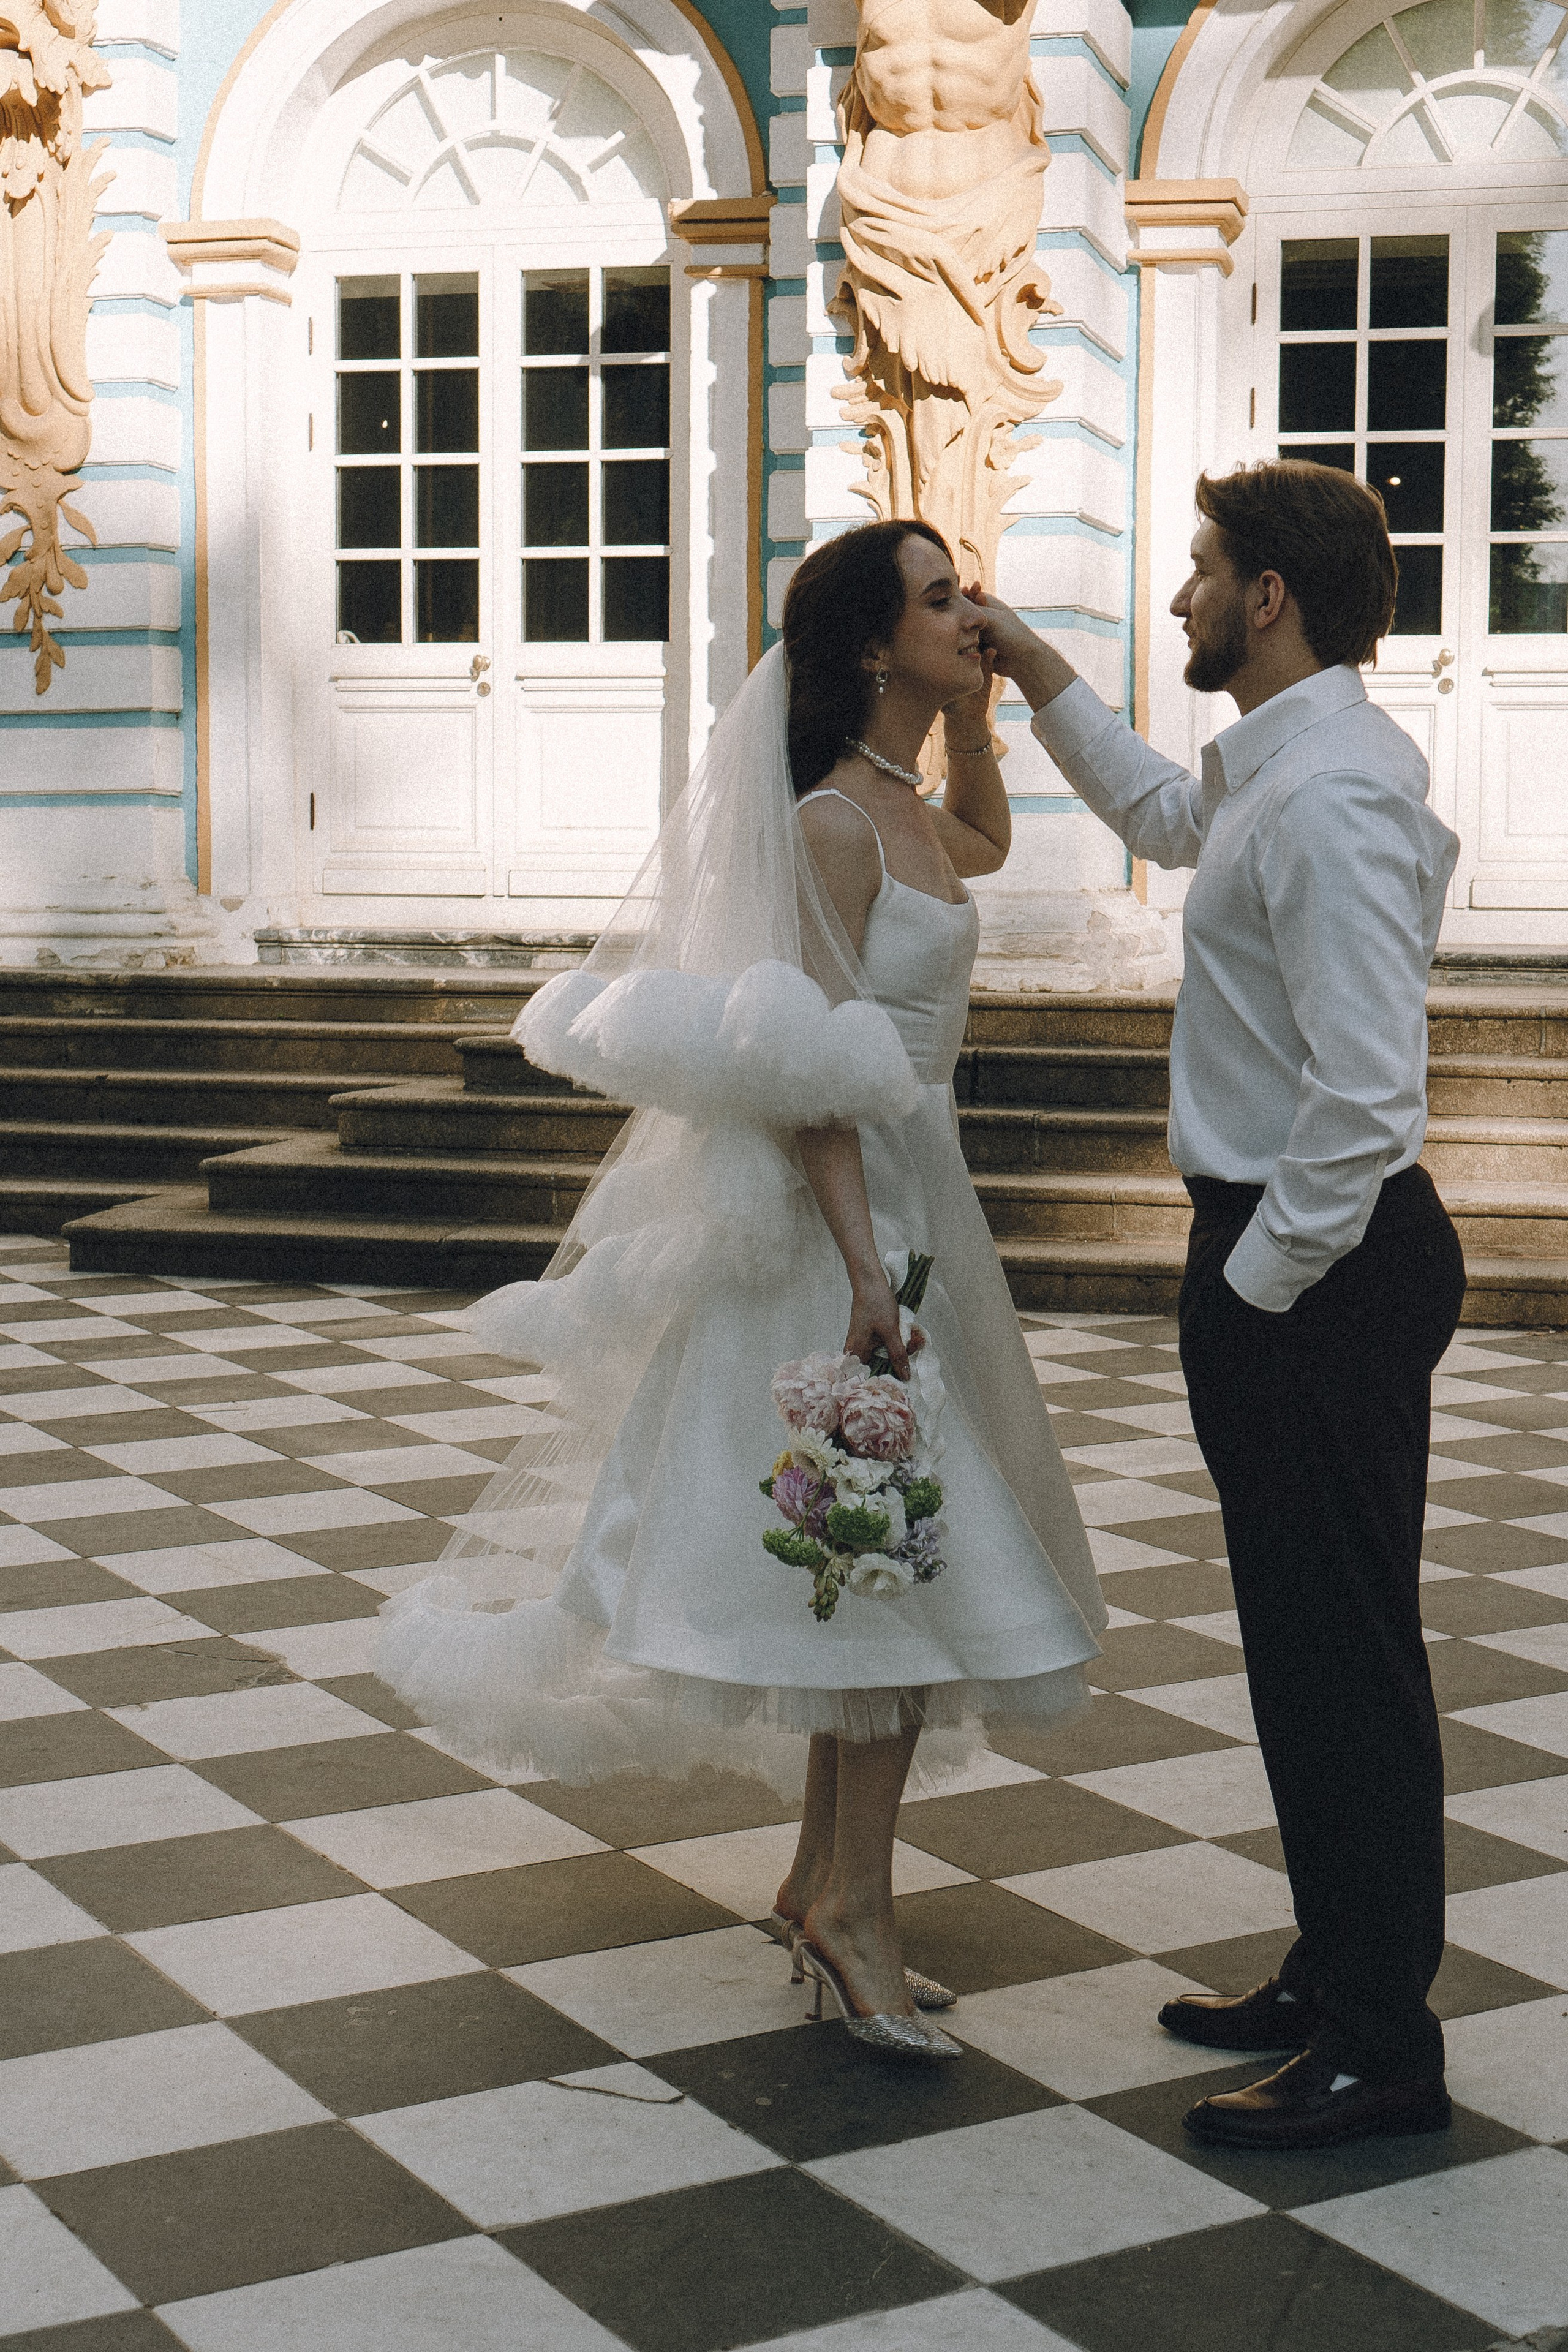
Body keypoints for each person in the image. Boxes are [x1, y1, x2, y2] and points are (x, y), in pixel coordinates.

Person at [377, 519, 1106, 2062]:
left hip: (921, 1207)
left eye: (965, 589)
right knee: (896, 1560)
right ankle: (853, 1911)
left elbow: (984, 844)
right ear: (862, 643)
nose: (968, 611)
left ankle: (822, 1887)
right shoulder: (832, 823)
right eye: (937, 599)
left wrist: (980, 707)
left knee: (888, 1563)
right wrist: (856, 1268)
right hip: (847, 1226)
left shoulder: (901, 804)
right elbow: (803, 1080)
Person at [976, 459, 1466, 2150]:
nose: (1178, 595)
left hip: (1314, 1257)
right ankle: (1341, 1975)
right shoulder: (1290, 765)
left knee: (1339, 1659)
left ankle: (1383, 2046)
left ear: (1269, 599)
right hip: (1301, 1253)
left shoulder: (1328, 796)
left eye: (1199, 572)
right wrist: (1036, 672)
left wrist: (1256, 1286)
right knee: (1313, 1646)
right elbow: (1168, 822)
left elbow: (1366, 1097)